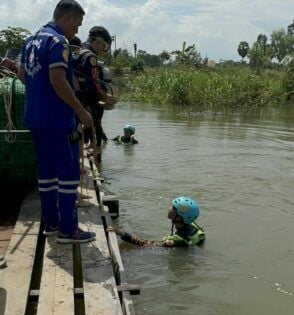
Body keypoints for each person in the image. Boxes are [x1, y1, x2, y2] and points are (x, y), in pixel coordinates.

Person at [18, 0, 96, 243]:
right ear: (69, 18)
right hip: (58, 120)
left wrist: (40, 95)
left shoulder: (31, 40)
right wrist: (81, 111)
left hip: (35, 118)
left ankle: (51, 224)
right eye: (77, 24)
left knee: (47, 173)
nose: (77, 31)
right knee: (68, 173)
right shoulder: (58, 41)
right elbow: (58, 80)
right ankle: (68, 229)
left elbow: (22, 74)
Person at [74, 26, 117, 153]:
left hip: (74, 99)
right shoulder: (90, 56)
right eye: (104, 47)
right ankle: (96, 154)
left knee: (77, 130)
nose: (103, 51)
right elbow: (93, 83)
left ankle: (81, 155)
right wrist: (105, 97)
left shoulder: (78, 51)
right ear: (97, 41)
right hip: (85, 100)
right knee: (94, 125)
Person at [113, 197, 205, 247]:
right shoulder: (191, 224)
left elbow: (147, 244)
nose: (169, 209)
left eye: (174, 209)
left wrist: (122, 234)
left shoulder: (176, 241)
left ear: (180, 218)